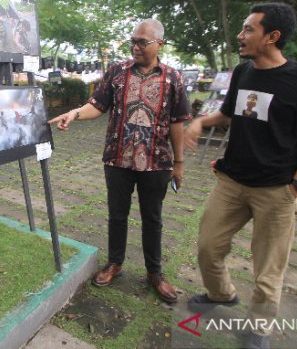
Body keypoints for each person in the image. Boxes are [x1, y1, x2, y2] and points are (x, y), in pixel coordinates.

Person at [183, 3, 297, 349]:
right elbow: (227, 114)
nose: (241, 35)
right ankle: (221, 294)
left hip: (278, 189)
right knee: (208, 246)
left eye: (249, 29)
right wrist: (202, 121)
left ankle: (260, 329)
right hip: (232, 181)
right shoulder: (243, 72)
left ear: (272, 37)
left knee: (268, 269)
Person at [48, 18, 190, 304]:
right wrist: (74, 114)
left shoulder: (174, 78)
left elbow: (178, 123)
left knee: (153, 219)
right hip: (117, 159)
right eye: (133, 41)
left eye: (142, 42)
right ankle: (115, 262)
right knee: (116, 214)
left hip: (156, 162)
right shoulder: (117, 72)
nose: (135, 47)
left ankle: (155, 272)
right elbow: (97, 106)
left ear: (159, 44)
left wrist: (179, 163)